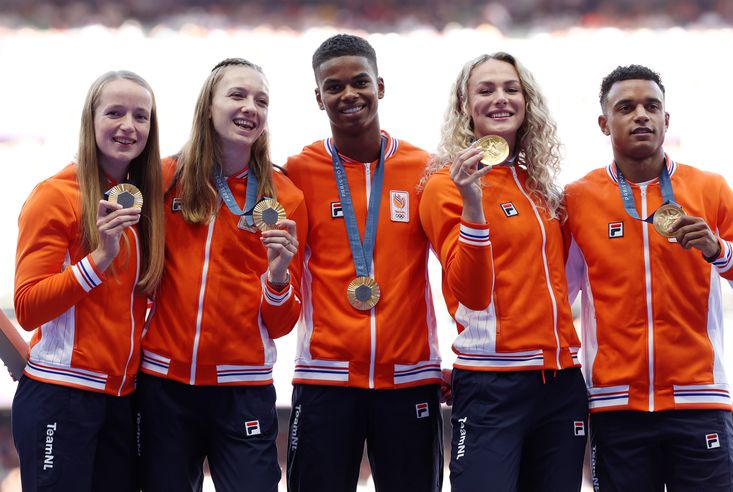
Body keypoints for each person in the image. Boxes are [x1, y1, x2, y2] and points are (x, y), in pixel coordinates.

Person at [565, 64, 733, 491]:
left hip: (700, 402)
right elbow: (553, 299)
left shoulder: (709, 189)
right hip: (616, 408)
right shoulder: (577, 199)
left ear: (666, 120)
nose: (641, 115)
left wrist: (720, 251)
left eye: (651, 106)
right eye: (626, 107)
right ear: (604, 123)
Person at [420, 52, 588, 491]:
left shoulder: (542, 188)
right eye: (486, 89)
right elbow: (472, 293)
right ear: (464, 105)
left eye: (511, 89)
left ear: (526, 102)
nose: (500, 98)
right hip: (492, 382)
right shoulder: (443, 187)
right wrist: (472, 204)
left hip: (561, 381)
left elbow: (560, 283)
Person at [137, 58, 307, 492]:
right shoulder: (165, 178)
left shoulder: (284, 196)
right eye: (237, 95)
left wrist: (278, 279)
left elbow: (283, 323)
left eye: (261, 100)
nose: (251, 107)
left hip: (243, 388)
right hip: (164, 385)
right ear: (208, 106)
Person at [284, 34, 443, 492]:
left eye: (360, 82)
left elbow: (458, 267)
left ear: (381, 86)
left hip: (409, 377)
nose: (348, 94)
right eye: (333, 87)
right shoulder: (300, 170)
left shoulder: (425, 169)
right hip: (325, 378)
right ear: (318, 97)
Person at [12, 70, 164, 492]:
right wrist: (99, 259)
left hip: (121, 399)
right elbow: (27, 307)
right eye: (114, 113)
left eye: (141, 116)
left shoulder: (138, 199)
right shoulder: (55, 196)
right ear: (90, 120)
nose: (128, 126)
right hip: (61, 395)